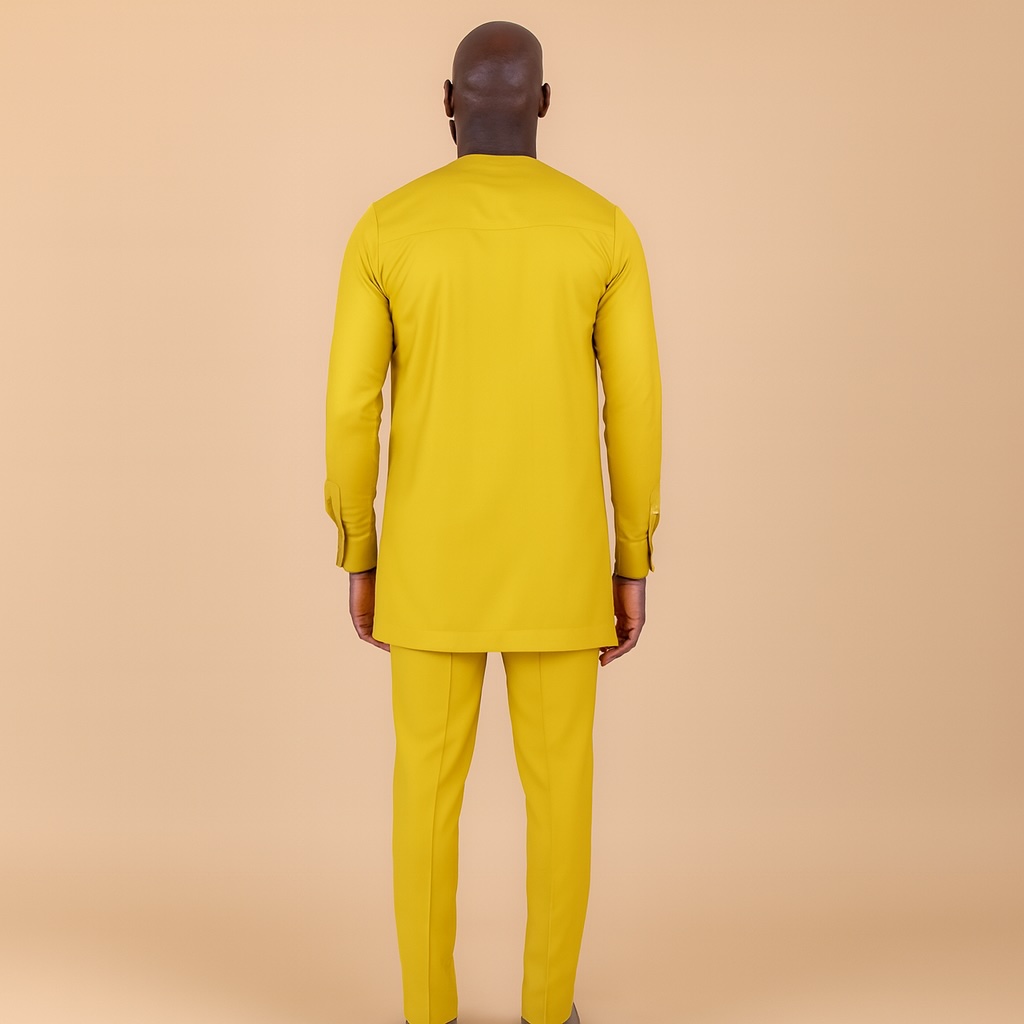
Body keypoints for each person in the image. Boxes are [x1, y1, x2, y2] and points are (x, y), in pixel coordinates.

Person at [323, 20, 662, 1024]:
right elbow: (635, 408)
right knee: (561, 798)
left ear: (447, 104)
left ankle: (427, 1009)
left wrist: (359, 548)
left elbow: (349, 410)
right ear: (545, 106)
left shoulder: (386, 229)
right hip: (560, 567)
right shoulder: (604, 231)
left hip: (429, 566)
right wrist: (631, 558)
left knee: (423, 796)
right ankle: (547, 1010)